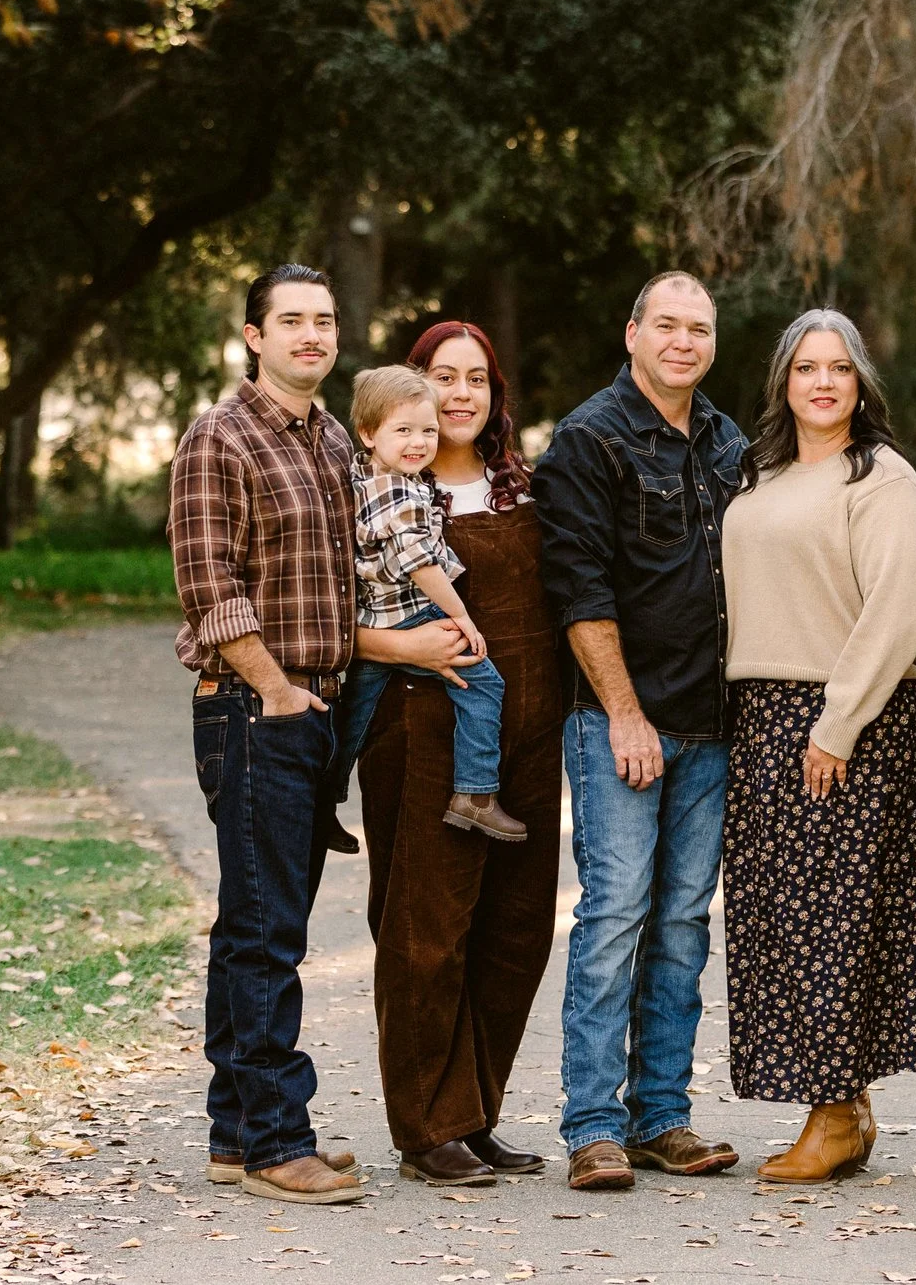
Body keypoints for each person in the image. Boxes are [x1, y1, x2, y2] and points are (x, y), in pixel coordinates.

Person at [719, 308, 916, 1185]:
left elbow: (895, 607)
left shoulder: (881, 476)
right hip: (762, 713)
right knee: (781, 919)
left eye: (838, 368)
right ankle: (848, 1108)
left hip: (842, 717)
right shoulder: (760, 470)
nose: (821, 381)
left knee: (836, 923)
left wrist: (836, 723)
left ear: (860, 384)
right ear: (784, 380)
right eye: (806, 366)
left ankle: (830, 1112)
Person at [534, 272, 747, 1193]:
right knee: (616, 913)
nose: (683, 341)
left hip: (713, 722)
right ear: (632, 333)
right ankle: (591, 1124)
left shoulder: (729, 441)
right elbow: (579, 591)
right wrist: (625, 711)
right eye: (667, 324)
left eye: (698, 328)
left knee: (682, 922)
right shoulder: (588, 439)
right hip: (623, 720)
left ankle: (662, 1114)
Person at [168, 264, 370, 1206]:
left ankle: (235, 1127)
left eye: (324, 321)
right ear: (253, 336)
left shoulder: (333, 438)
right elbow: (210, 586)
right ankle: (275, 1142)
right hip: (254, 708)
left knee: (257, 917)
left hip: (313, 708)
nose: (311, 335)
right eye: (291, 320)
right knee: (266, 932)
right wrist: (277, 689)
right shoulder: (220, 437)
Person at [353, 322, 565, 1188]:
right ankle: (426, 1125)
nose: (462, 395)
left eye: (478, 378)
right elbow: (332, 622)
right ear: (414, 391)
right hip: (421, 734)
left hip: (526, 740)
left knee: (513, 932)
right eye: (444, 377)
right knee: (425, 935)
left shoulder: (526, 493)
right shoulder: (383, 496)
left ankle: (477, 1113)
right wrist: (405, 651)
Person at [335, 365, 523, 844]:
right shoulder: (401, 491)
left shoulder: (366, 474)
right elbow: (421, 565)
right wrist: (460, 616)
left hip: (375, 613)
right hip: (411, 610)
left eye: (428, 431)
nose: (418, 442)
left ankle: (322, 795)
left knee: (356, 708)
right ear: (368, 432)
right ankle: (476, 794)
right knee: (484, 684)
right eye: (403, 431)